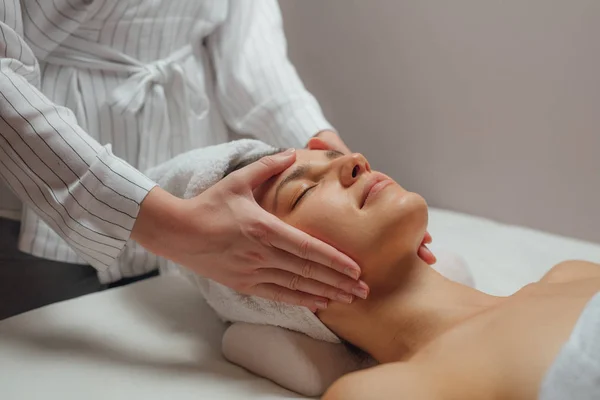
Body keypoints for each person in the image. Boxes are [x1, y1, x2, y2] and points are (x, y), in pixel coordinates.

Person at [0, 0, 364, 319]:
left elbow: (249, 50)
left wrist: (327, 153)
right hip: (40, 197)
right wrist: (170, 226)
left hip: (194, 188)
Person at [225, 138, 600, 399]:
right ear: (280, 286)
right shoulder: (387, 392)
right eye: (302, 192)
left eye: (336, 156)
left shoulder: (572, 273)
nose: (354, 159)